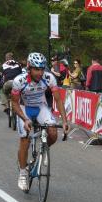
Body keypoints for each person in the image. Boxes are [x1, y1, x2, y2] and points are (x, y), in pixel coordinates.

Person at [11, 52, 69, 191]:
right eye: (37, 69)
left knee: (53, 133)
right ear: (29, 68)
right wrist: (25, 119)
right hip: (24, 108)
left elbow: (58, 99)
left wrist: (65, 121)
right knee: (25, 139)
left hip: (40, 106)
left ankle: (44, 149)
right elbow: (14, 103)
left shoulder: (49, 78)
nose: (40, 72)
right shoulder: (19, 80)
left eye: (42, 69)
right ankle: (23, 173)